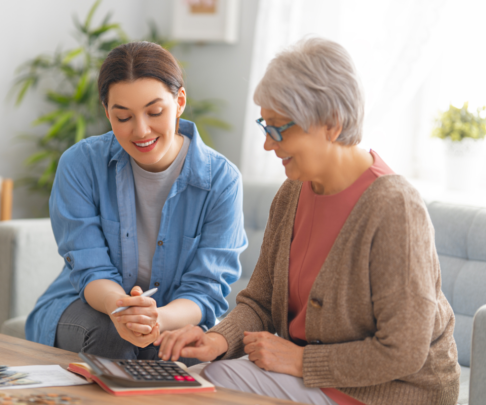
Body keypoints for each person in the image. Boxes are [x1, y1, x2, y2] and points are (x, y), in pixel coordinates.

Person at [155, 37, 461, 404]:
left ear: (331, 124)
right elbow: (261, 303)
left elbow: (404, 351)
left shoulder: (394, 208)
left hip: (388, 392)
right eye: (264, 126)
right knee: (194, 381)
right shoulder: (292, 192)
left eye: (278, 128)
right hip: (305, 379)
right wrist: (217, 339)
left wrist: (300, 359)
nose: (268, 144)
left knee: (204, 391)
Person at [25, 41, 247, 366]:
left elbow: (207, 288)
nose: (140, 130)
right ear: (107, 113)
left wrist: (157, 318)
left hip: (173, 314)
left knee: (174, 350)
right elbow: (90, 269)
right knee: (113, 337)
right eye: (123, 117)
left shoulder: (221, 180)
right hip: (88, 307)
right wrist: (123, 310)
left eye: (154, 112)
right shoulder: (80, 165)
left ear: (180, 101)